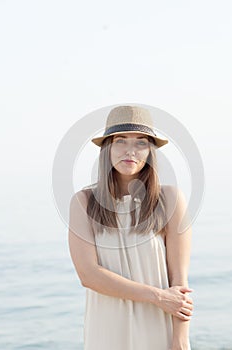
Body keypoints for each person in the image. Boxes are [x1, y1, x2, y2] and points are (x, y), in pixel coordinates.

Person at [68, 105, 194, 350]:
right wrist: (157, 296)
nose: (130, 151)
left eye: (140, 142)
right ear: (108, 148)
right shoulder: (84, 203)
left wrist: (180, 339)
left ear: (150, 151)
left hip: (159, 327)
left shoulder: (169, 199)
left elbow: (179, 281)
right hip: (106, 328)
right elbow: (88, 275)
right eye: (121, 141)